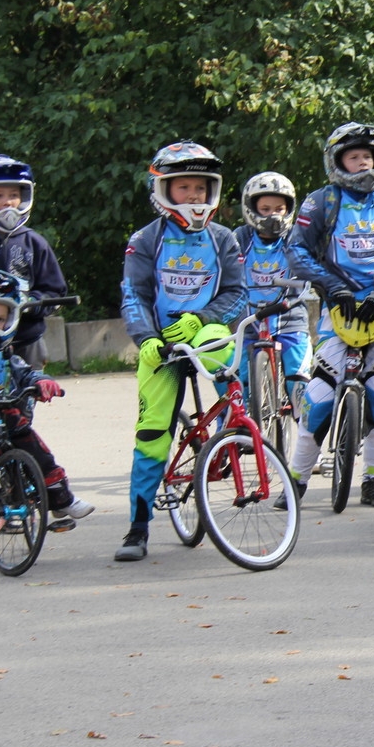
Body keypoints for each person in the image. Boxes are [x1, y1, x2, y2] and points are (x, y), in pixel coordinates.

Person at [117, 142, 244, 561]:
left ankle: (234, 437)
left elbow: (238, 293)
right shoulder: (145, 239)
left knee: (233, 373)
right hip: (161, 347)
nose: (194, 196)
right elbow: (133, 293)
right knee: (153, 434)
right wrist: (147, 339)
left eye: (200, 188)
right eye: (183, 187)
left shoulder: (223, 238)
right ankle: (137, 528)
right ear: (163, 191)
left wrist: (202, 318)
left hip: (206, 337)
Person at [287, 123, 374, 508]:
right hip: (338, 310)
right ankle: (296, 481)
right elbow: (297, 252)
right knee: (317, 400)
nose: (363, 162)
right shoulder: (321, 202)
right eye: (354, 157)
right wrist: (332, 286)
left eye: (368, 156)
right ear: (336, 162)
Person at [0, 267, 79, 567]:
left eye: (0, 319)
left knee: (40, 455)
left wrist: (41, 382)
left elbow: (24, 372)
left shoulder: (5, 355)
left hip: (6, 418)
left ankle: (61, 500)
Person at [0, 156, 70, 369]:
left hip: (26, 338)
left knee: (28, 392)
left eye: (14, 195)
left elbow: (55, 290)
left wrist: (29, 303)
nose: (8, 202)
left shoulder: (34, 242)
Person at [234, 172, 310, 403]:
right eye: (265, 209)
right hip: (249, 320)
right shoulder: (240, 237)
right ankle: (234, 433)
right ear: (251, 208)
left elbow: (312, 262)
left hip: (290, 317)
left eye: (279, 209)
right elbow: (227, 265)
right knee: (239, 382)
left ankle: (306, 432)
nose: (273, 215)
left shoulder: (296, 237)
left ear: (289, 209)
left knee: (299, 380)